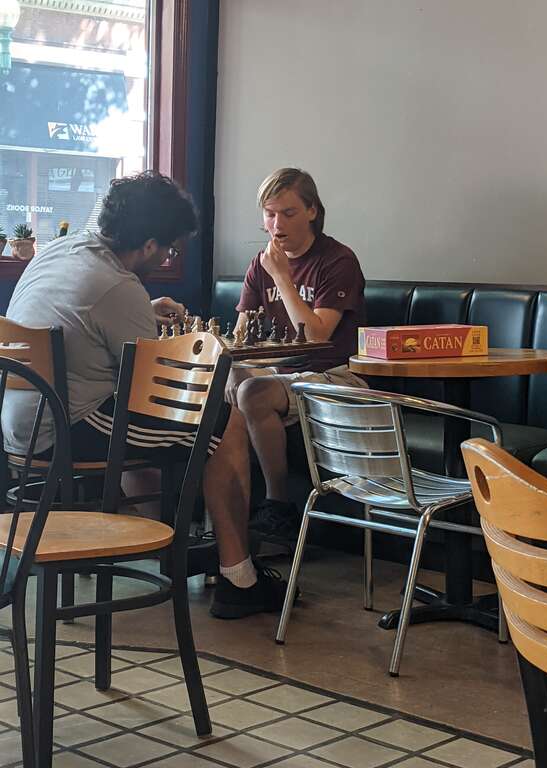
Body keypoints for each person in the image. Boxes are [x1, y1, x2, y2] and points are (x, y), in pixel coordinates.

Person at [3, 170, 288, 619]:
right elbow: (158, 386)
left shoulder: (60, 250)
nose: (167, 257)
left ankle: (167, 546)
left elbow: (86, 319)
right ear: (149, 244)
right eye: (169, 248)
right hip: (66, 427)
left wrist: (143, 313)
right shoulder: (119, 286)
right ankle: (239, 576)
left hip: (21, 425)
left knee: (137, 417)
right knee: (225, 420)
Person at [229, 168, 367, 542]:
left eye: (288, 213)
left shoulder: (337, 260)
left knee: (252, 392)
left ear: (312, 211)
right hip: (284, 373)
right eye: (270, 214)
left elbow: (318, 334)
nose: (277, 225)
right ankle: (233, 510)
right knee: (229, 378)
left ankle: (279, 506)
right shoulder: (260, 264)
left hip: (336, 375)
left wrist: (282, 278)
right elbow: (241, 339)